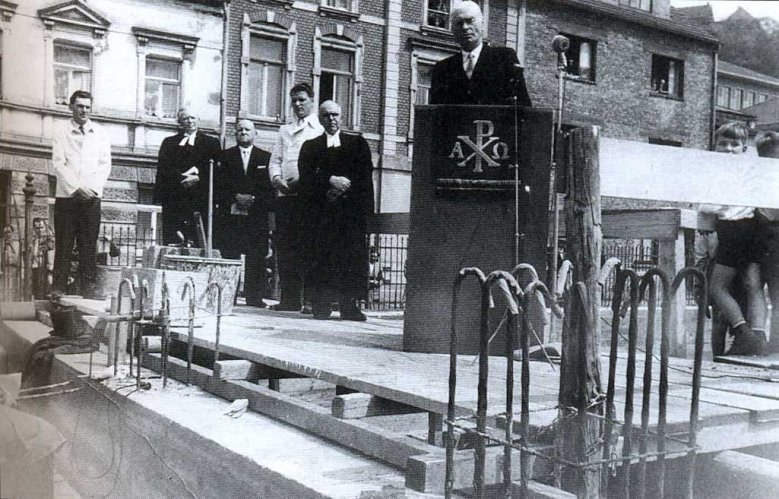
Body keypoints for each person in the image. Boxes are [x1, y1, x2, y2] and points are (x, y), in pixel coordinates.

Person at [298, 101, 374, 321]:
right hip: (322, 215)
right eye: (326, 115)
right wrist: (329, 181)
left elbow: (365, 175)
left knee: (350, 258)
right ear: (320, 119)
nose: (331, 119)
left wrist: (347, 190)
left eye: (335, 115)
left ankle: (349, 305)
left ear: (342, 117)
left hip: (350, 216)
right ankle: (321, 305)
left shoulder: (357, 144)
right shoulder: (310, 147)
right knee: (322, 258)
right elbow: (307, 177)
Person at [703, 122, 767, 356]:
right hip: (753, 228)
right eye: (723, 144)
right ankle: (759, 334)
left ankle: (743, 331)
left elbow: (708, 205)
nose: (728, 149)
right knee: (754, 286)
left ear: (743, 148)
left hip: (733, 230)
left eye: (734, 144)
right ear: (715, 146)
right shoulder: (752, 169)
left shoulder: (719, 172)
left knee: (718, 286)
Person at [51, 90, 112, 299]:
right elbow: (58, 164)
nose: (83, 110)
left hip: (91, 199)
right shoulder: (61, 132)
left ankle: (89, 288)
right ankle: (58, 288)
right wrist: (76, 188)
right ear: (71, 107)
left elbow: (105, 165)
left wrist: (92, 190)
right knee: (64, 244)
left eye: (87, 106)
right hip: (67, 197)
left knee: (88, 245)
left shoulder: (101, 133)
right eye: (79, 106)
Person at [269, 83, 324, 312]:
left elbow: (321, 164)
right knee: (285, 247)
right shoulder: (284, 130)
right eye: (294, 100)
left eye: (302, 99)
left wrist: (303, 181)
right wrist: (277, 179)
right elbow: (275, 160)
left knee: (309, 247)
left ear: (311, 100)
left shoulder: (319, 129)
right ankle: (289, 299)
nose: (297, 104)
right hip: (285, 196)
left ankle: (312, 300)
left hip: (308, 196)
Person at [429, 0, 531, 106]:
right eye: (459, 23)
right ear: (453, 30)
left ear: (482, 24)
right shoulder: (443, 69)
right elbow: (434, 114)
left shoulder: (504, 59)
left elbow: (523, 105)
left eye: (470, 21)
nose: (465, 27)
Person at [217, 119, 273, 308]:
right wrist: (235, 197)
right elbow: (218, 184)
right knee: (230, 253)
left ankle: (254, 296)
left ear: (255, 134)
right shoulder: (224, 157)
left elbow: (269, 188)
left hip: (256, 216)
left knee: (256, 255)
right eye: (240, 129)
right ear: (235, 134)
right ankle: (228, 295)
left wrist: (253, 199)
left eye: (247, 130)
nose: (243, 132)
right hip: (230, 215)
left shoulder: (266, 158)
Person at [153, 108, 222, 246]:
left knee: (198, 236)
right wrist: (180, 177)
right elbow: (163, 167)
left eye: (192, 118)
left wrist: (199, 178)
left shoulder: (211, 143)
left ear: (198, 120)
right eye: (185, 118)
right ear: (180, 122)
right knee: (175, 236)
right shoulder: (169, 142)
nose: (190, 121)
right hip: (176, 197)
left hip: (200, 198)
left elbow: (217, 170)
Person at [755, 131, 779, 354]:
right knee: (751, 290)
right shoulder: (755, 179)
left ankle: (776, 344)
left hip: (776, 245)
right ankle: (754, 341)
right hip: (757, 242)